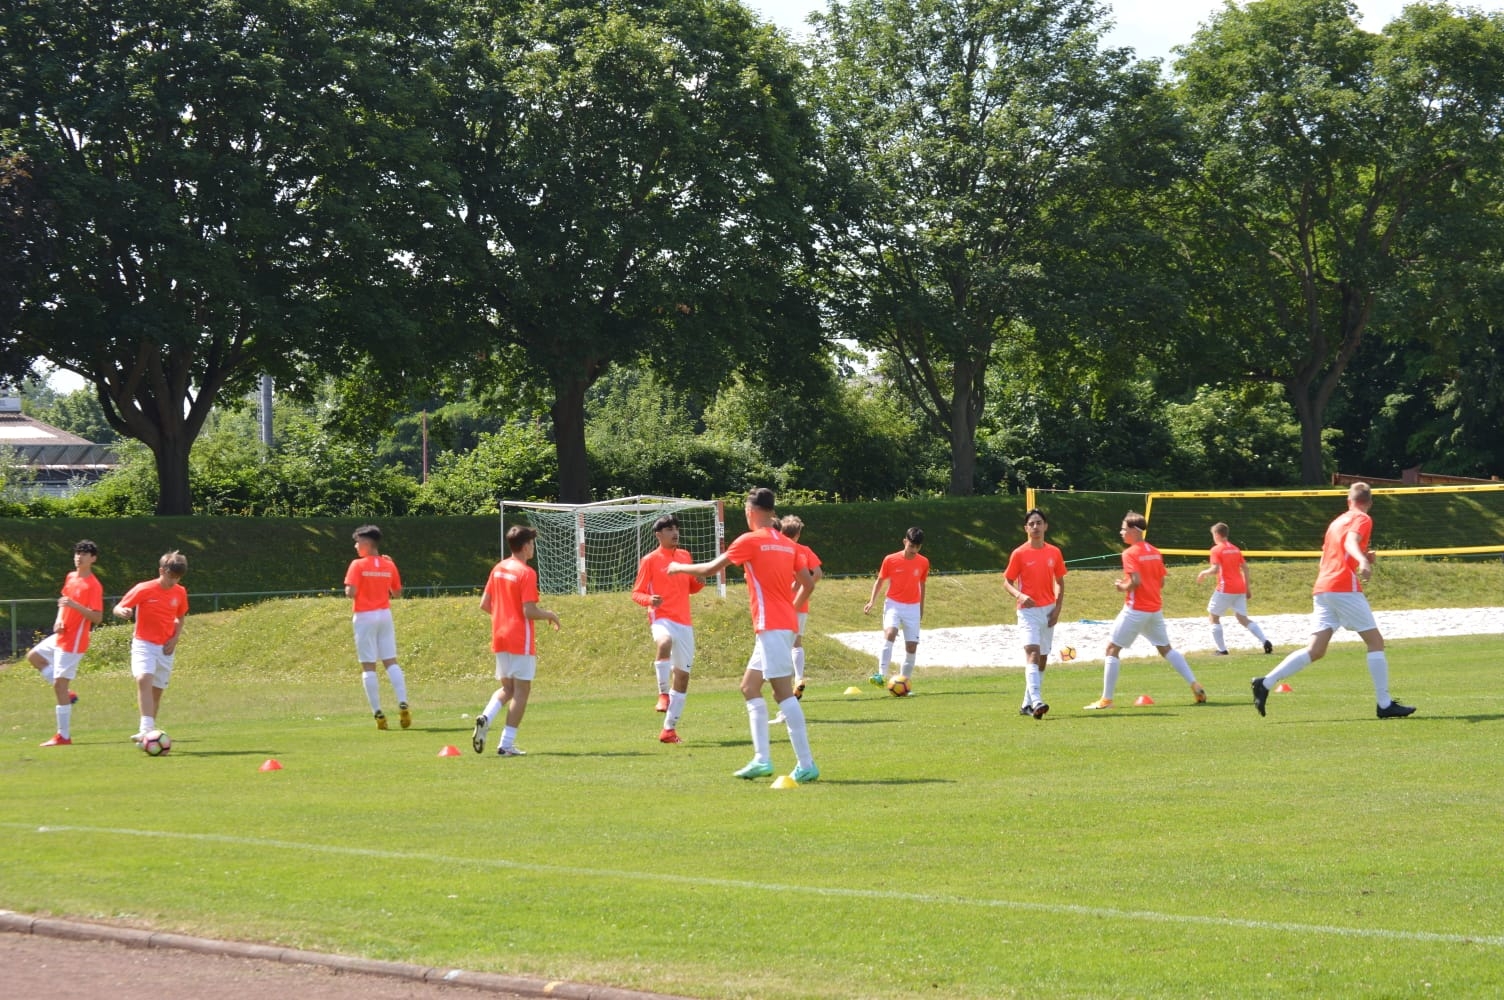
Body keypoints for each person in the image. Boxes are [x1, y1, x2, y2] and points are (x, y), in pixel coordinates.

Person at [668, 487, 820, 783]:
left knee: (782, 693)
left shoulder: (750, 540)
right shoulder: (787, 543)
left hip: (771, 626)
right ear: (772, 511)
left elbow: (711, 569)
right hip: (780, 625)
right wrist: (790, 610)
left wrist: (677, 567)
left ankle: (806, 764)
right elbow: (809, 583)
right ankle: (762, 760)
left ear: (750, 512)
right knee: (749, 687)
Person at [1252, 483, 1415, 719]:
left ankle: (1265, 683)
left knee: (1315, 650)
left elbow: (1328, 556)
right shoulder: (1362, 518)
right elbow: (1350, 543)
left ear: (1348, 500)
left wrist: (1360, 557)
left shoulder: (1336, 522)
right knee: (1375, 642)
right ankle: (1384, 704)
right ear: (1369, 503)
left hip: (1323, 587)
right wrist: (1363, 561)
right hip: (1342, 586)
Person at [1084, 512, 1206, 710]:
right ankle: (1194, 684)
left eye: (1124, 528)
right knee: (1166, 649)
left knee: (1112, 649)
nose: (1121, 532)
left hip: (1136, 609)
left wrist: (1121, 586)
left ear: (1134, 530)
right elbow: (1161, 582)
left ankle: (1106, 700)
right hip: (1154, 609)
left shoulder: (1129, 553)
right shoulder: (1155, 551)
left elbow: (1135, 581)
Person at [472, 525, 561, 756]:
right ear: (525, 546)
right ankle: (506, 744)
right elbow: (528, 611)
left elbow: (484, 604)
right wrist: (549, 614)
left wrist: (504, 616)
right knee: (522, 690)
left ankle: (486, 717)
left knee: (507, 688)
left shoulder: (498, 568)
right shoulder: (526, 573)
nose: (533, 547)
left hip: (500, 635)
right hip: (520, 637)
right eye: (532, 543)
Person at [629, 513, 703, 743]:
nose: (675, 533)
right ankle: (662, 694)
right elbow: (636, 593)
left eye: (676, 529)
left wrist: (700, 580)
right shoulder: (650, 560)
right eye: (669, 529)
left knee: (682, 677)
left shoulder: (684, 556)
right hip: (661, 617)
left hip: (684, 622)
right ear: (658, 535)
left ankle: (668, 730)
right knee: (664, 642)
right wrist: (649, 599)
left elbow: (691, 588)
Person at [26, 540, 104, 747]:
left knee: (59, 684)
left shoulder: (93, 585)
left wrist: (75, 605)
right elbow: (63, 601)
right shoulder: (71, 576)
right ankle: (67, 694)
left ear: (93, 559)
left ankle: (64, 736)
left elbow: (97, 618)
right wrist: (59, 619)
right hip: (62, 635)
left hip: (74, 641)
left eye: (84, 554)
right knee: (34, 657)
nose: (79, 557)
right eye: (77, 553)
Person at [115, 551, 189, 742]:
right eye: (171, 576)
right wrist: (122, 611)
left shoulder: (180, 592)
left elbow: (180, 617)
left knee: (156, 691)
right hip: (144, 643)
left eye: (178, 578)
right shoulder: (144, 588)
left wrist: (175, 639)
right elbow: (118, 607)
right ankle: (146, 730)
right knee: (143, 678)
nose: (174, 581)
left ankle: (148, 735)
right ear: (161, 571)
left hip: (165, 648)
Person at [343, 525, 410, 730]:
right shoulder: (389, 564)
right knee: (391, 661)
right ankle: (403, 702)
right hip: (384, 615)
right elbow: (397, 593)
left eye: (357, 542)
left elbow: (350, 592)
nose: (355, 546)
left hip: (365, 615)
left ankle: (378, 713)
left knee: (368, 666)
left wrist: (358, 586)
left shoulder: (357, 565)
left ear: (366, 543)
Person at [1002, 510, 1066, 720]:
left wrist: (1057, 609)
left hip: (1048, 611)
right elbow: (1007, 582)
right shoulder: (1019, 553)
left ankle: (1027, 704)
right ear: (1026, 528)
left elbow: (1060, 581)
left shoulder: (1054, 552)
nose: (1035, 527)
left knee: (1043, 658)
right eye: (1031, 524)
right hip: (1027, 611)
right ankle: (1037, 701)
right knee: (1032, 653)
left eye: (1039, 523)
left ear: (1045, 526)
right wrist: (1020, 595)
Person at [862, 526, 929, 689]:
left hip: (913, 607)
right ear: (905, 541)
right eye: (911, 545)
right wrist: (872, 601)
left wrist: (921, 608)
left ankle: (904, 682)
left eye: (917, 547)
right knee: (890, 633)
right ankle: (881, 675)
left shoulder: (923, 562)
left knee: (911, 646)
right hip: (893, 604)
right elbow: (880, 581)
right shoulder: (890, 559)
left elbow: (922, 585)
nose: (913, 550)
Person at [1195, 522, 1274, 656]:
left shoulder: (1216, 549)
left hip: (1225, 588)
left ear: (1216, 535)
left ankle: (1222, 650)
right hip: (1239, 588)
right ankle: (1265, 641)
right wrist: (1247, 588)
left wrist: (1203, 573)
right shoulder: (1235, 549)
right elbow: (1245, 568)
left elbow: (1215, 569)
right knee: (1242, 618)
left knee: (1213, 617)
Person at [778, 515, 823, 699]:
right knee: (796, 642)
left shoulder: (779, 550)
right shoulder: (804, 550)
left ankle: (784, 684)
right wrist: (804, 585)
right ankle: (798, 678)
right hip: (801, 602)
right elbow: (818, 573)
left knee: (781, 644)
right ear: (797, 535)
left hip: (780, 602)